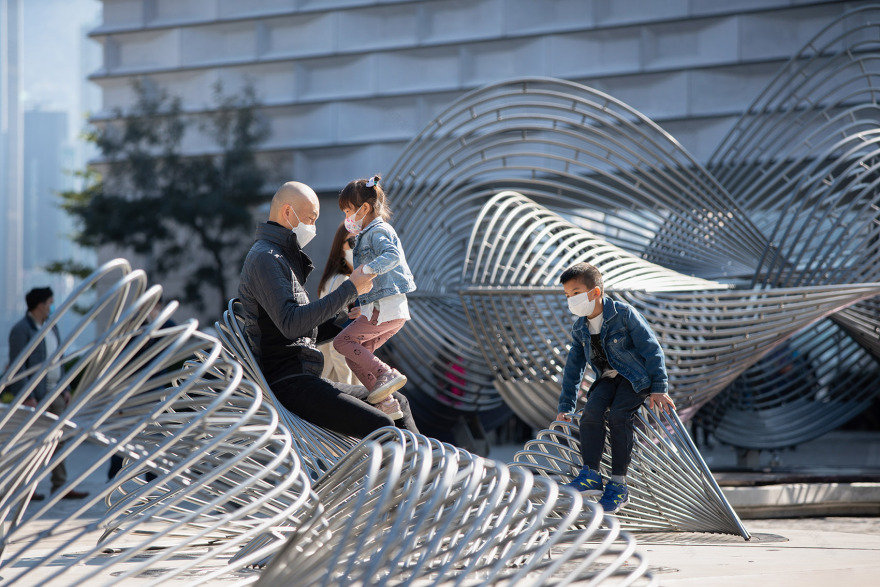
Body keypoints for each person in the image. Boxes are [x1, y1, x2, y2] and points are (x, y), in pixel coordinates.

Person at [238, 180, 419, 437]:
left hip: (305, 377)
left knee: (398, 403)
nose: (313, 227)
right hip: (289, 383)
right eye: (310, 219)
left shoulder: (279, 256)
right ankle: (398, 474)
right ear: (287, 212)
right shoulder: (266, 258)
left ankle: (422, 474)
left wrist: (346, 315)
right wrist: (349, 289)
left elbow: (304, 331)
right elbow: (292, 324)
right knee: (381, 425)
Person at [555, 263, 675, 514]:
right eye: (567, 296)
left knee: (619, 416)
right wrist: (566, 405)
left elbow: (652, 349)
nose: (571, 300)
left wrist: (659, 387)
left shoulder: (624, 313)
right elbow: (573, 368)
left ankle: (619, 485)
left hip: (635, 379)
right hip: (606, 380)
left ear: (595, 292)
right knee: (590, 415)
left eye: (576, 293)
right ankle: (591, 475)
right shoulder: (580, 328)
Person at [333, 174, 417, 413]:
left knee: (342, 341)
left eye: (348, 211)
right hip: (388, 310)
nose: (347, 218)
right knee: (356, 354)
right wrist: (365, 307)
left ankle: (385, 373)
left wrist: (367, 269)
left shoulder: (377, 231)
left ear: (365, 208)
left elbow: (392, 256)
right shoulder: (369, 233)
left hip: (386, 310)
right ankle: (385, 402)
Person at [7, 287, 88, 500]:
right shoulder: (21, 330)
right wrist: (26, 395)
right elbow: (18, 366)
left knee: (59, 440)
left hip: (56, 394)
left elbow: (59, 360)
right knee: (32, 442)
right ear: (40, 304)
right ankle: (25, 487)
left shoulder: (52, 327)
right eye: (50, 302)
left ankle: (59, 486)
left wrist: (66, 388)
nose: (52, 307)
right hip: (36, 397)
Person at [315, 223, 358, 385]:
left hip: (331, 374)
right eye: (353, 242)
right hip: (337, 377)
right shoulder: (341, 281)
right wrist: (348, 386)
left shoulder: (335, 280)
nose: (358, 247)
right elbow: (336, 338)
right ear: (340, 248)